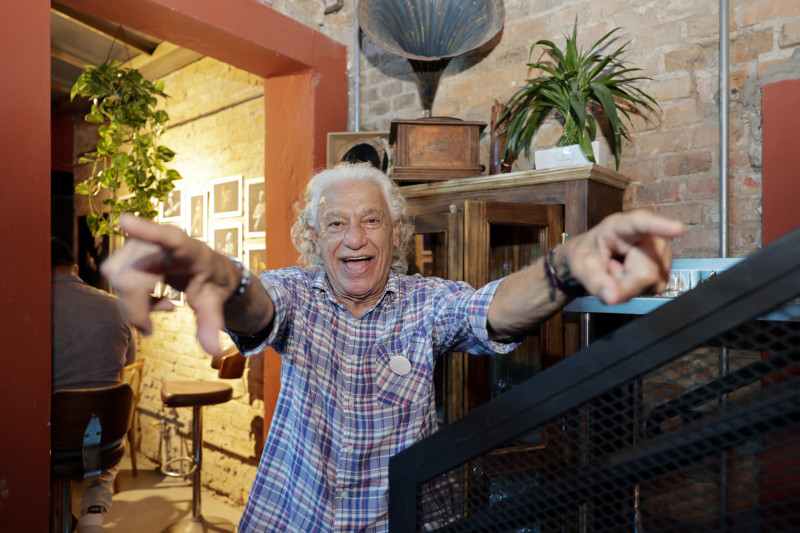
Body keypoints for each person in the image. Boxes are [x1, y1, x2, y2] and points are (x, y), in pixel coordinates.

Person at [101, 163, 684, 531]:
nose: (354, 239)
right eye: (336, 225)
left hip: (410, 519)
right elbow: (258, 305)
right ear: (314, 238)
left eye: (372, 222)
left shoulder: (423, 301)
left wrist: (563, 267)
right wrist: (222, 275)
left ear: (397, 234)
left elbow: (495, 312)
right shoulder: (295, 294)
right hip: (296, 517)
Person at [51, 237, 137, 533]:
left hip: (51, 445)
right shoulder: (119, 307)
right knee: (93, 441)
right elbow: (128, 363)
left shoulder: (28, 310)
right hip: (102, 442)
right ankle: (92, 515)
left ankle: (53, 513)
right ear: (75, 268)